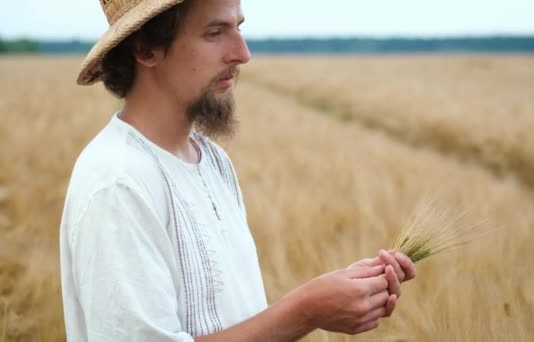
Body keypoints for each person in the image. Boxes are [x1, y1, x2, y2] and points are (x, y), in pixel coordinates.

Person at [59, 0, 416, 340]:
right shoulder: (117, 183)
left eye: (238, 28)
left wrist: (343, 290)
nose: (242, 54)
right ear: (146, 49)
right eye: (214, 33)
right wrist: (306, 310)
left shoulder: (211, 159)